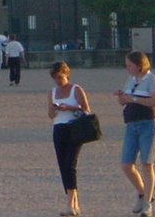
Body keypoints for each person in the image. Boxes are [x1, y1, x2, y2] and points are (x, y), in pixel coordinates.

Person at [113, 50, 155, 217]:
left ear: (140, 66)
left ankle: (148, 204)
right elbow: (125, 101)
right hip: (131, 125)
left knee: (147, 164)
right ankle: (142, 193)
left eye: (130, 65)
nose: (127, 68)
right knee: (126, 165)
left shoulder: (152, 79)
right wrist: (122, 97)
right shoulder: (131, 80)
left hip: (148, 125)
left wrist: (132, 99)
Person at [48, 61, 90, 217]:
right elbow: (51, 116)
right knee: (62, 166)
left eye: (60, 77)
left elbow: (86, 109)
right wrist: (53, 109)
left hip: (74, 129)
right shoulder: (52, 92)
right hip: (59, 129)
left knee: (69, 165)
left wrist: (70, 108)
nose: (58, 80)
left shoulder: (76, 89)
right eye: (55, 77)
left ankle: (71, 204)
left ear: (66, 74)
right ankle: (74, 203)